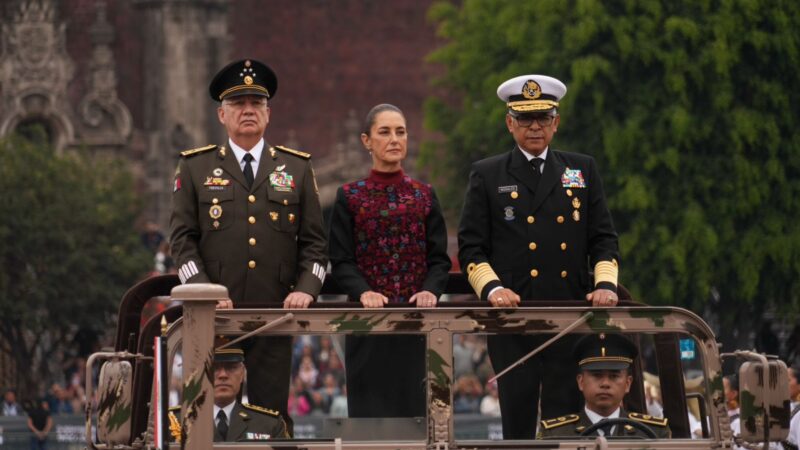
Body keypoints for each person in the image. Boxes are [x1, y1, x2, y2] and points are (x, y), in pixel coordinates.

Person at [458, 74, 620, 439]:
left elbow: (604, 238)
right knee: (517, 419)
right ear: (510, 123)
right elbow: (471, 247)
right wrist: (492, 288)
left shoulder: (580, 170)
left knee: (565, 420)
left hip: (567, 315)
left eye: (543, 118)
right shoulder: (488, 173)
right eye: (526, 119)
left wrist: (605, 283)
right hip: (513, 319)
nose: (535, 127)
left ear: (556, 123)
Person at [170, 58, 327, 427]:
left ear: (268, 114)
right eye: (238, 104)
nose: (248, 111)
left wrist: (307, 289)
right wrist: (203, 291)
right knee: (207, 421)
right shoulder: (195, 168)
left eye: (256, 104)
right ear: (222, 114)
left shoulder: (297, 168)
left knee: (270, 420)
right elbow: (182, 241)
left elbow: (316, 245)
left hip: (276, 316)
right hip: (215, 318)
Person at [328, 103, 451, 417]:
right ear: (367, 141)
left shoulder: (424, 195)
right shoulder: (349, 196)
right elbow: (341, 259)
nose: (394, 139)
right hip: (368, 325)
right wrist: (363, 291)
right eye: (384, 132)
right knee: (372, 422)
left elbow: (439, 259)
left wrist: (430, 291)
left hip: (418, 322)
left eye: (401, 132)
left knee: (419, 417)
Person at [538, 334, 670, 439]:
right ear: (580, 382)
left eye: (614, 376)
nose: (605, 383)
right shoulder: (554, 434)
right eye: (596, 375)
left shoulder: (653, 433)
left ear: (628, 383)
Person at [169, 344, 289, 442]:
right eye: (214, 368)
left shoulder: (269, 425)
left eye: (231, 367)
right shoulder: (173, 422)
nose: (223, 375)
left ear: (242, 374)